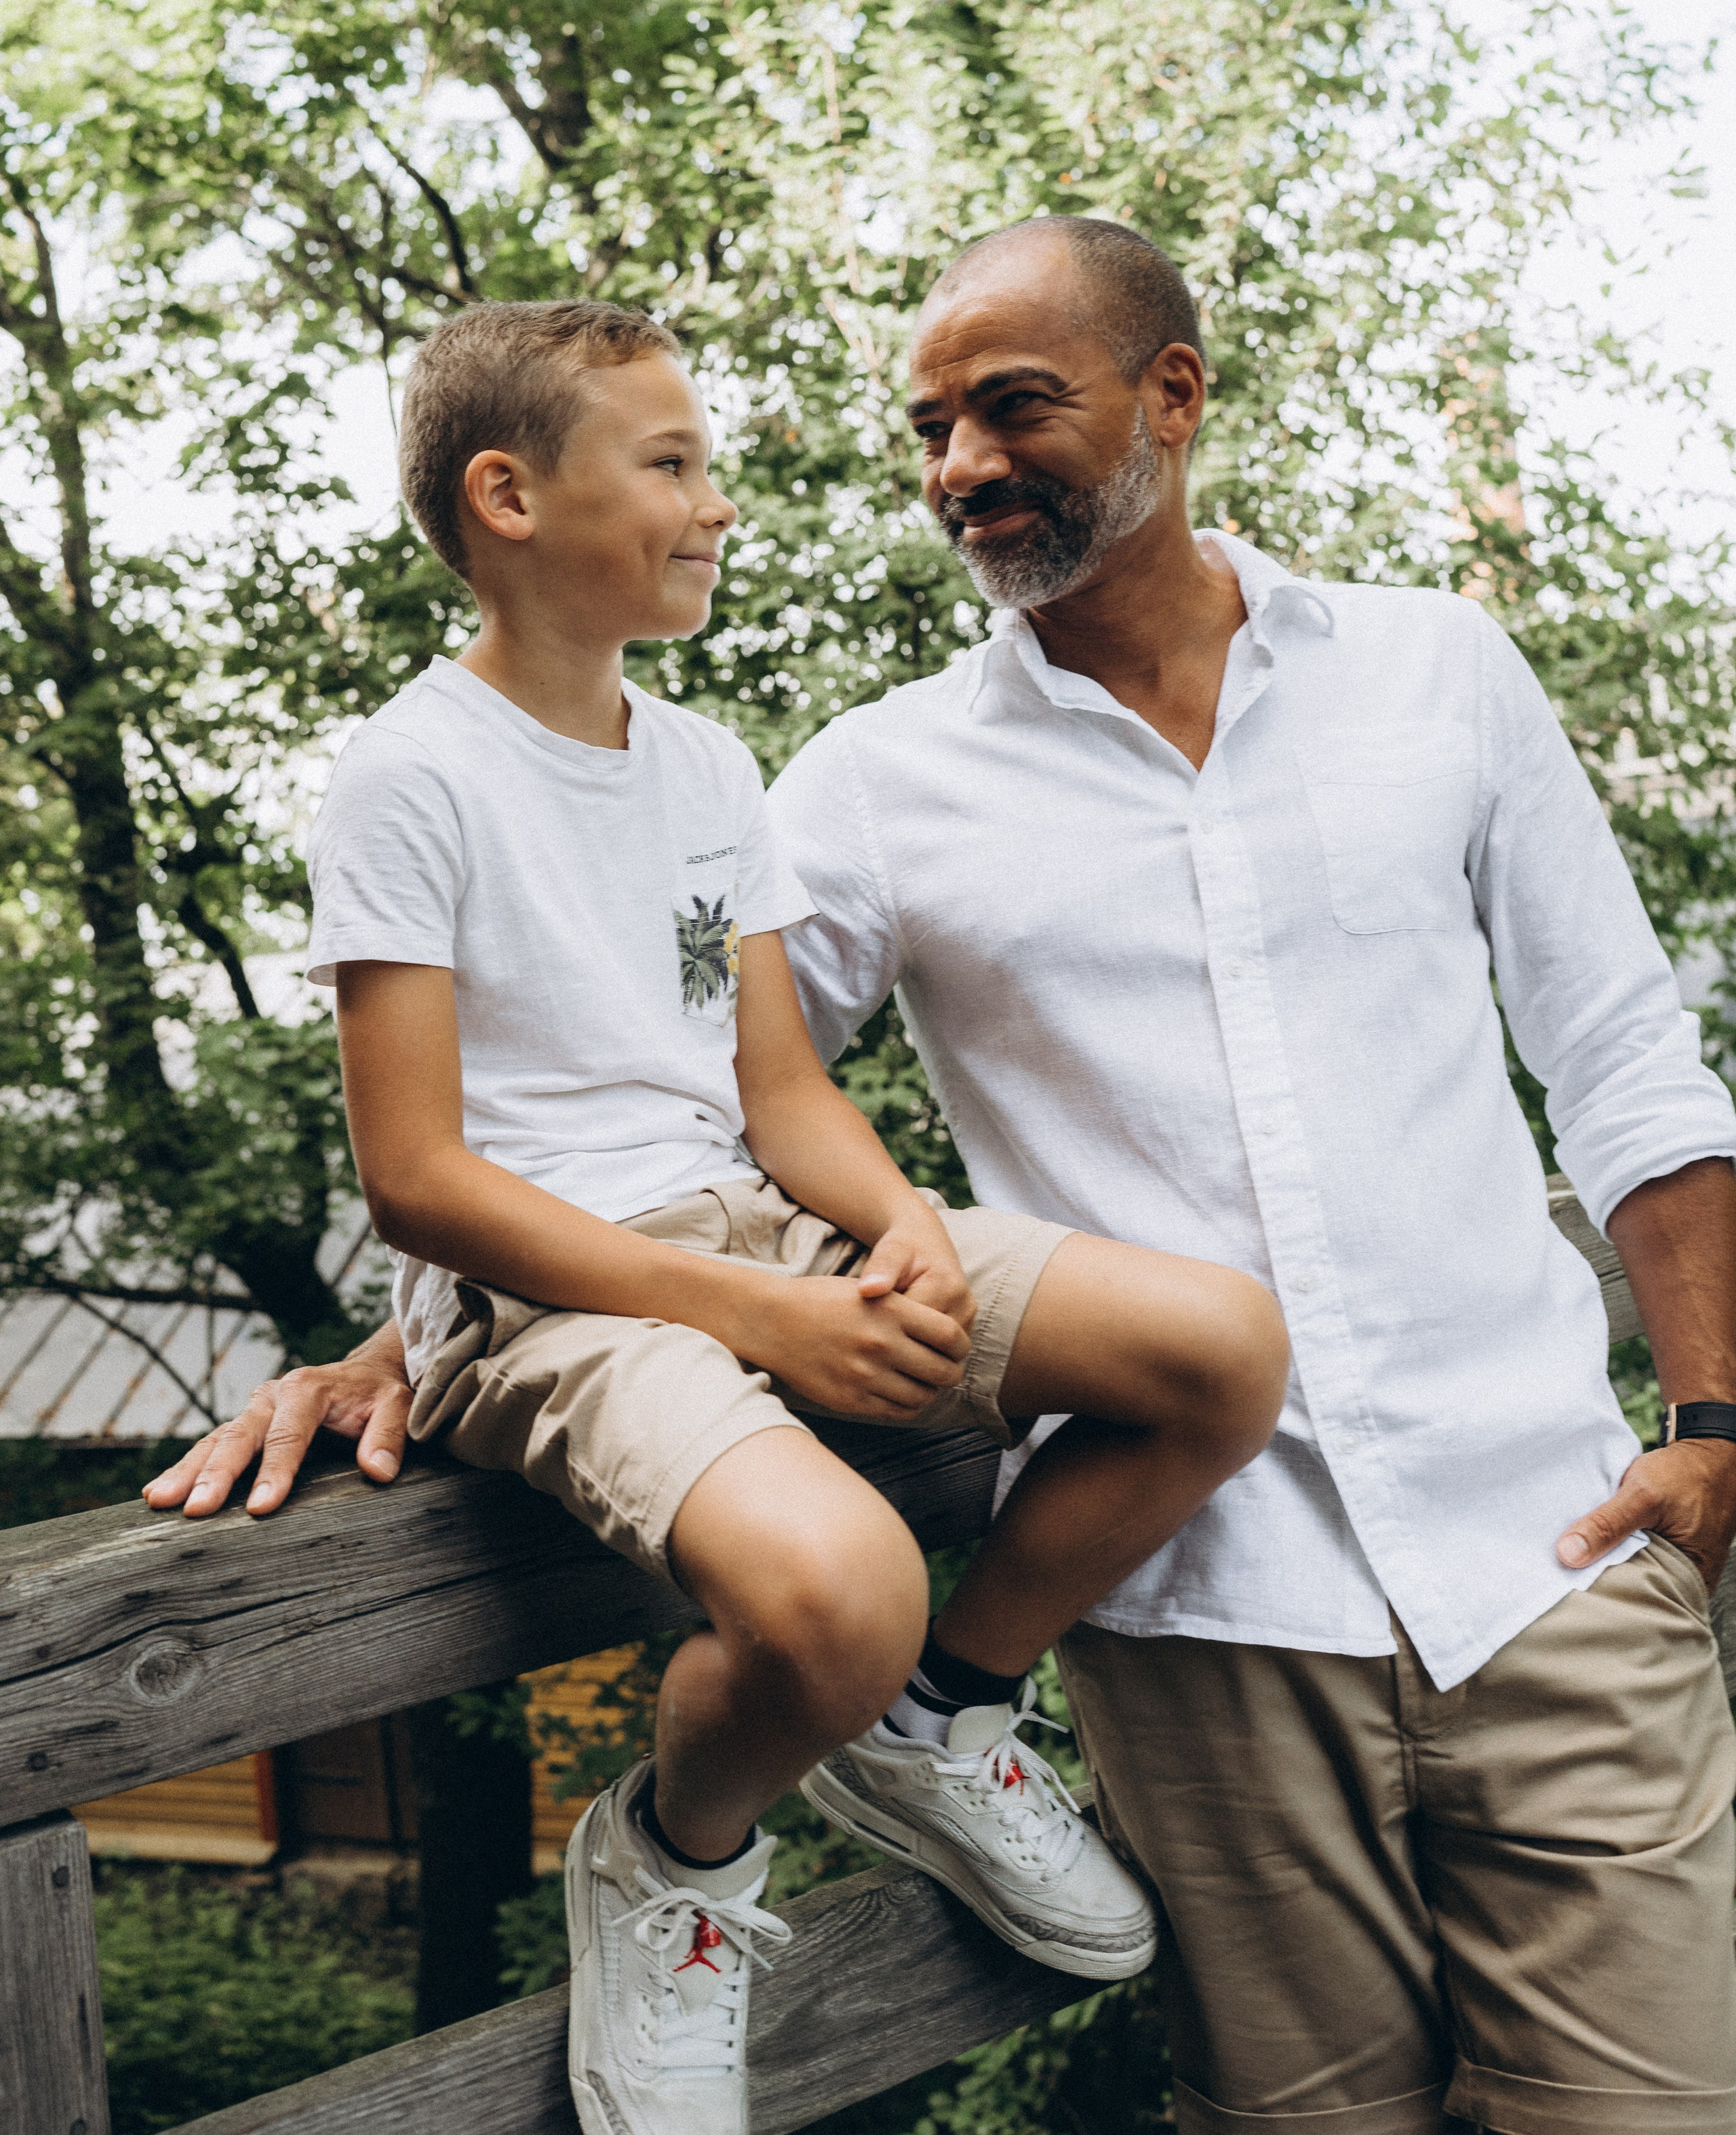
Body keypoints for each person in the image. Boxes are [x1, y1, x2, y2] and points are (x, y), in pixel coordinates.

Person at [146, 298, 1290, 2135]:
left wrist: (900, 1228)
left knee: (1219, 1352)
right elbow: (419, 1182)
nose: (717, 506)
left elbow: (781, 1096)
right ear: (509, 496)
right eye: (670, 466)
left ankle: (940, 1717)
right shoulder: (409, 775)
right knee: (837, 1590)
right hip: (548, 1305)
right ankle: (678, 1860)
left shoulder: (700, 769)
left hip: (755, 1227)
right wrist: (757, 1320)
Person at [761, 216, 1736, 2135]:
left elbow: (1624, 1053)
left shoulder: (1437, 672)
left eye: (1012, 406)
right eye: (931, 426)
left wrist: (1712, 1413)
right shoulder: (875, 788)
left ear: (1173, 397)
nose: (960, 464)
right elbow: (653, 1093)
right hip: (1202, 1637)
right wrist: (434, 1330)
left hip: (1551, 1566)